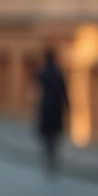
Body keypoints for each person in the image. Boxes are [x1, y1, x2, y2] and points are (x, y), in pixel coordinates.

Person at [35, 48, 70, 178]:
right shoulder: (58, 73)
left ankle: (48, 160)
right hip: (57, 109)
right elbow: (64, 92)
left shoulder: (42, 73)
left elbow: (37, 89)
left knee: (46, 137)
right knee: (54, 137)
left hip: (46, 109)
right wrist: (67, 107)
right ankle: (52, 159)